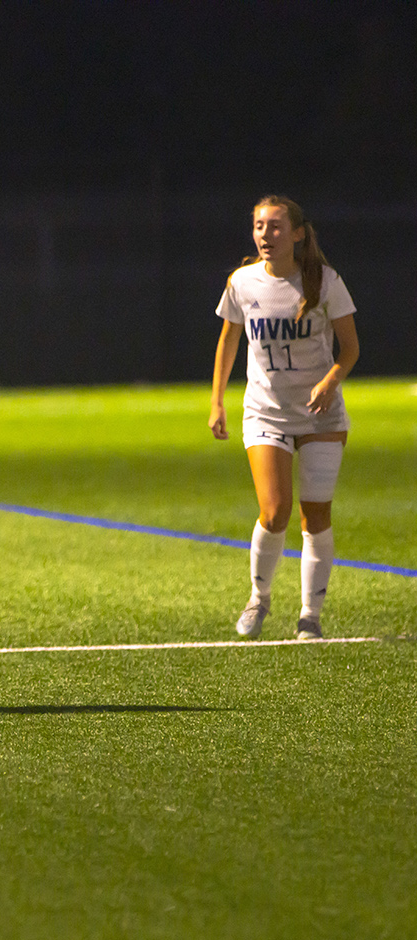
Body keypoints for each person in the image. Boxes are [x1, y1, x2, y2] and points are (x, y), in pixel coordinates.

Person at [209, 195, 359, 640]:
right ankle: (259, 597)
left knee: (316, 515)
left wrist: (331, 380)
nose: (265, 235)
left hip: (321, 418)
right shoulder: (242, 282)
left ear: (297, 233)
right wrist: (216, 400)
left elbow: (350, 348)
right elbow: (228, 341)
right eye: (259, 226)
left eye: (275, 227)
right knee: (274, 512)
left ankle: (310, 616)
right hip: (266, 414)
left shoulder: (325, 282)